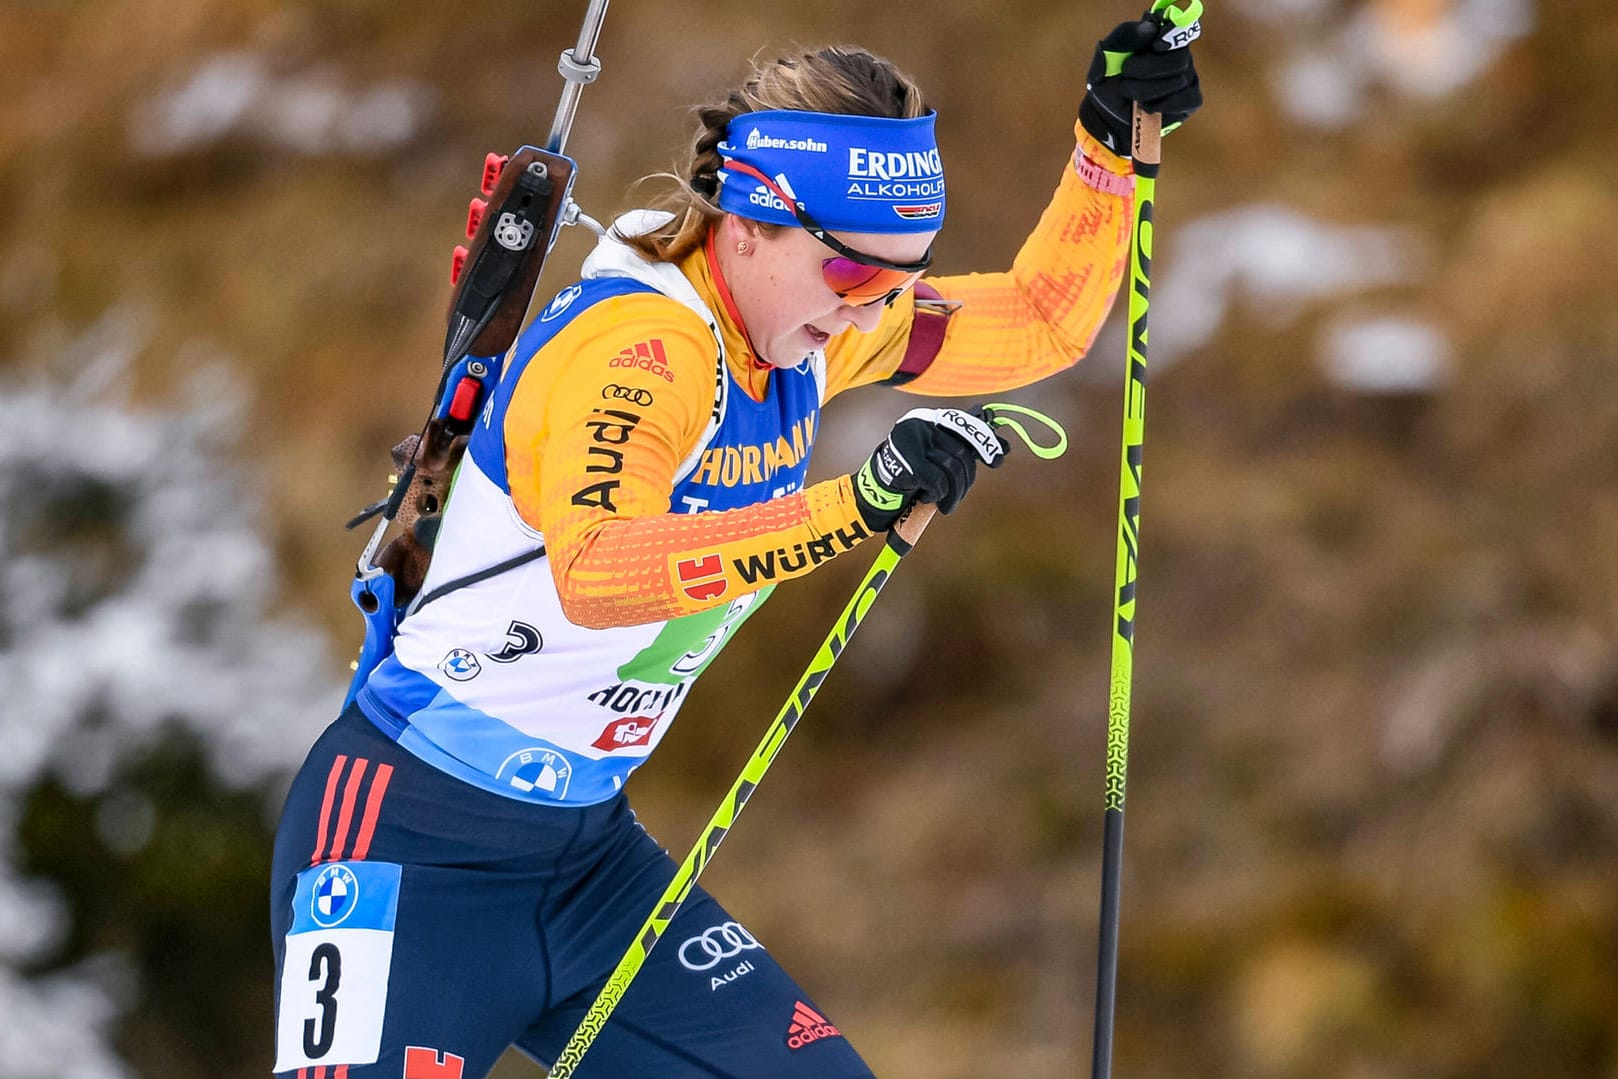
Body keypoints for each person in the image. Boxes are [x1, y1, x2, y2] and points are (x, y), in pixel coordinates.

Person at [270, 18, 1200, 1079]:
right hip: (410, 841)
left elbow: (1040, 320)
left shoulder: (802, 333)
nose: (870, 318)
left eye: (902, 282)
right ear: (748, 222)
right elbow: (599, 572)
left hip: (588, 863)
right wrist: (853, 507)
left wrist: (1104, 148)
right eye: (852, 277)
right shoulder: (644, 352)